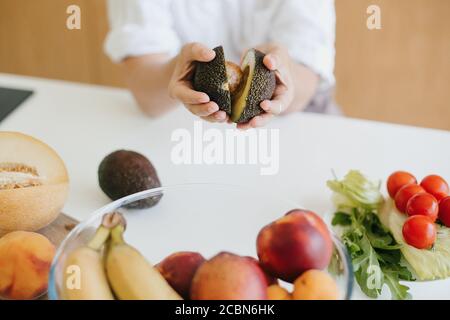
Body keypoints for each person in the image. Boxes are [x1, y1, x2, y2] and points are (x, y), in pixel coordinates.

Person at [104, 0, 339, 130]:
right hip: (184, 127)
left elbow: (307, 81)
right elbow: (148, 99)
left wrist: (283, 72)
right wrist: (179, 71)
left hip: (302, 118)